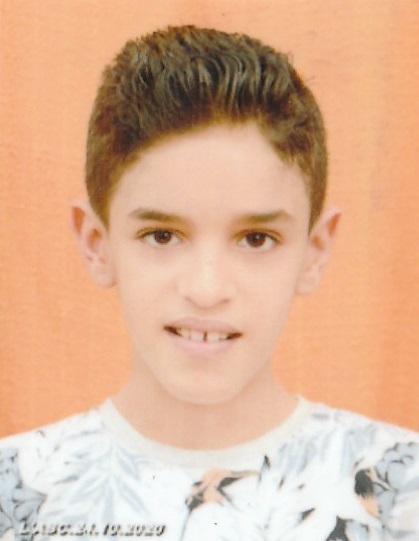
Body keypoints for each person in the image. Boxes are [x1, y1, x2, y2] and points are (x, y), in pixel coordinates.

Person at [0, 25, 418, 541]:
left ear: (315, 252)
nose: (206, 288)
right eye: (161, 235)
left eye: (256, 239)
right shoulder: (15, 493)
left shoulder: (401, 493)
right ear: (95, 243)